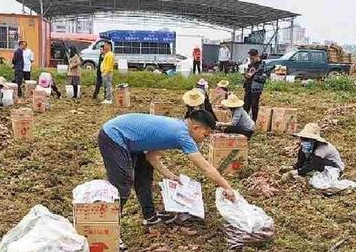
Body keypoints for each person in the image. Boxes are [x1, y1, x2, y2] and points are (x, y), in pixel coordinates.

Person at [97, 110, 236, 227]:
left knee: (144, 174)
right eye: (205, 135)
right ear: (195, 128)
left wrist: (170, 176)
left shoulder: (177, 126)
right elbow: (205, 167)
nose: (204, 139)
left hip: (131, 139)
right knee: (122, 185)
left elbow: (151, 156)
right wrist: (226, 186)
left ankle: (150, 217)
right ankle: (109, 228)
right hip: (114, 136)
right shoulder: (182, 135)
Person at [243, 49, 267, 122]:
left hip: (256, 88)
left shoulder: (262, 65)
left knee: (254, 106)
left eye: (252, 58)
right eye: (250, 57)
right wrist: (246, 76)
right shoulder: (250, 64)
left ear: (257, 56)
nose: (251, 59)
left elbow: (263, 78)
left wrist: (253, 76)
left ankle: (254, 121)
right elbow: (248, 73)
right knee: (246, 105)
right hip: (248, 87)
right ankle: (245, 121)